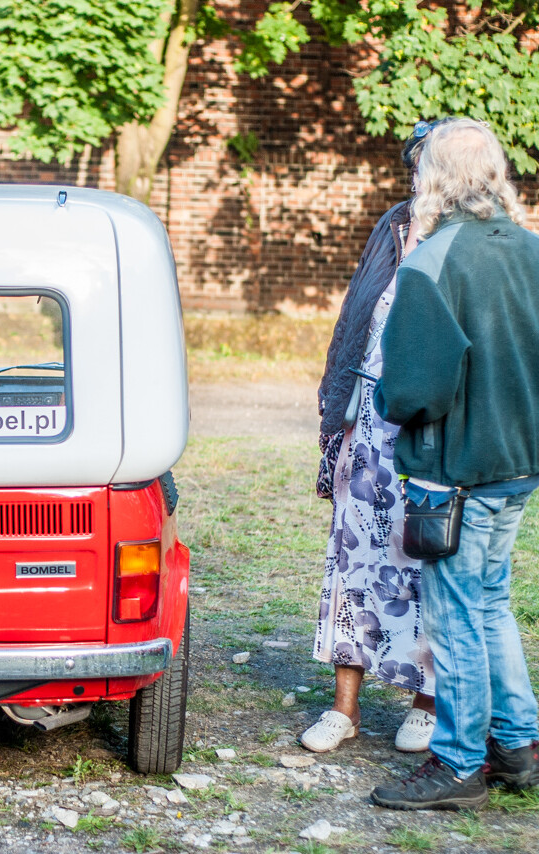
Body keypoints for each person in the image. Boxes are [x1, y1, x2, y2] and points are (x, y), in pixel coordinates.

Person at [369, 118, 539, 810]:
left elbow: (412, 390)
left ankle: (459, 762)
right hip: (517, 463)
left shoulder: (432, 259)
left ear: (432, 180)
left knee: (459, 616)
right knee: (491, 602)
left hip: (456, 471)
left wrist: (381, 392)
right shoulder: (531, 250)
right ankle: (519, 745)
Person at [303, 125, 440, 755]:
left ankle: (428, 700)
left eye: (429, 165)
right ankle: (345, 708)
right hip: (369, 420)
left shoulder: (466, 237)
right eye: (415, 165)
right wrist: (338, 412)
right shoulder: (392, 223)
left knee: (429, 561)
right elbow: (356, 313)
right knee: (352, 560)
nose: (417, 177)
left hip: (432, 430)